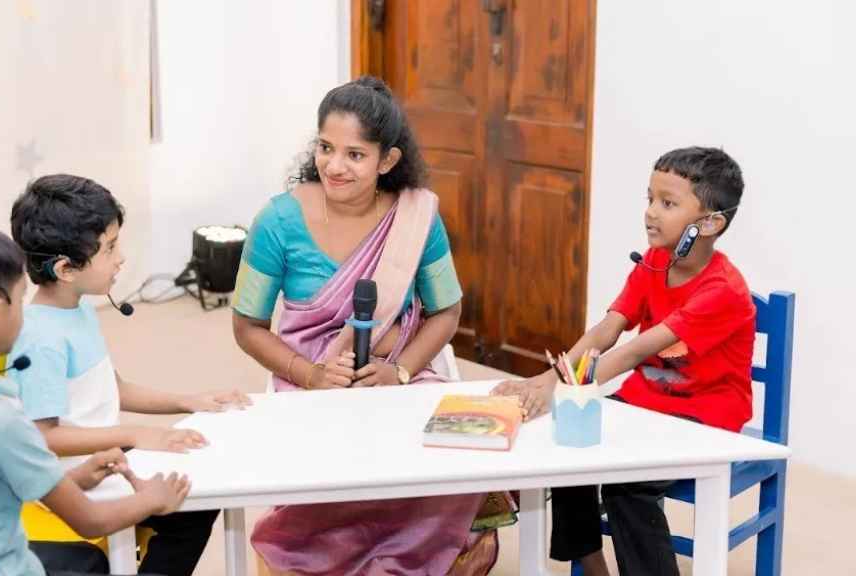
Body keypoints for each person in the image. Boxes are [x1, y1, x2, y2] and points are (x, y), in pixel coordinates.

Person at [232, 76, 513, 575]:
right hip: (309, 376)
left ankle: (411, 555)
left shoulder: (415, 216)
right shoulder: (277, 221)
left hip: (395, 370)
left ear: (387, 160)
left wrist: (399, 373)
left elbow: (446, 313)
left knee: (450, 451)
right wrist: (312, 375)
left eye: (355, 155)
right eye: (325, 147)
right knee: (333, 458)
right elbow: (247, 325)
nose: (334, 166)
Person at [492, 147, 755, 575]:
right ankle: (593, 566)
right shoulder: (654, 262)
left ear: (710, 223)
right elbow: (607, 330)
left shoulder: (722, 290)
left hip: (705, 414)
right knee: (567, 442)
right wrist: (546, 379)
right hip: (646, 401)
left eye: (667, 203)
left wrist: (559, 385)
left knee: (627, 482)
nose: (650, 212)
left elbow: (634, 351)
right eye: (649, 198)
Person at [0, 218, 191, 576]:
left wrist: (76, 478)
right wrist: (152, 499)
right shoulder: (0, 422)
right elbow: (91, 521)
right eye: (19, 300)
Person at [9, 174, 251, 575]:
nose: (121, 258)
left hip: (104, 460)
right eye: (109, 248)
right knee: (187, 505)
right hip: (70, 486)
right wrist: (135, 435)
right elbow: (43, 438)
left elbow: (111, 389)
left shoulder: (78, 309)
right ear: (66, 269)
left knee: (197, 501)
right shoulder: (40, 339)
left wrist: (188, 401)